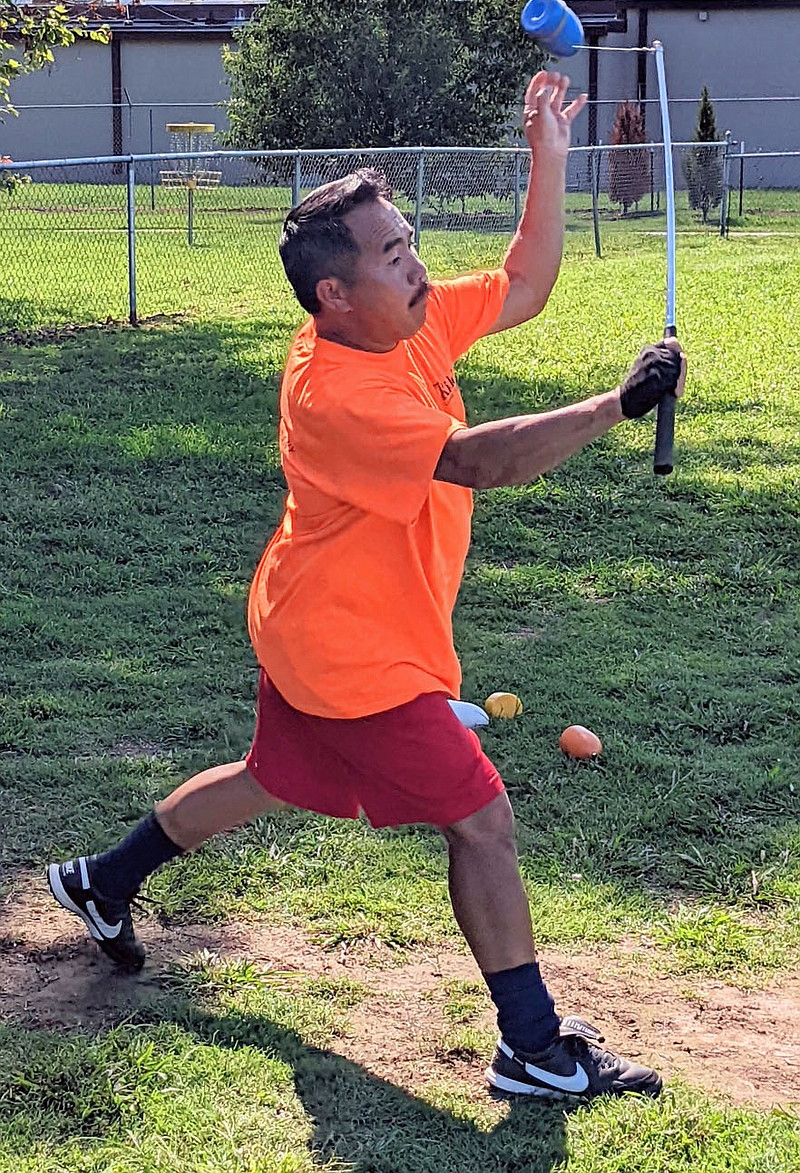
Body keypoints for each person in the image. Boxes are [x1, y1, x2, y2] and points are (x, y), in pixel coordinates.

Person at [47, 70, 684, 1102]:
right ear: (333, 293)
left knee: (270, 774)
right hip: (355, 654)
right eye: (392, 254)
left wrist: (549, 159)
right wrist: (617, 403)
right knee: (480, 816)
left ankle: (102, 879)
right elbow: (479, 459)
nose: (418, 265)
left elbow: (523, 283)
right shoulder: (336, 392)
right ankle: (531, 1044)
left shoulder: (408, 319)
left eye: (410, 241)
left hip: (308, 622)